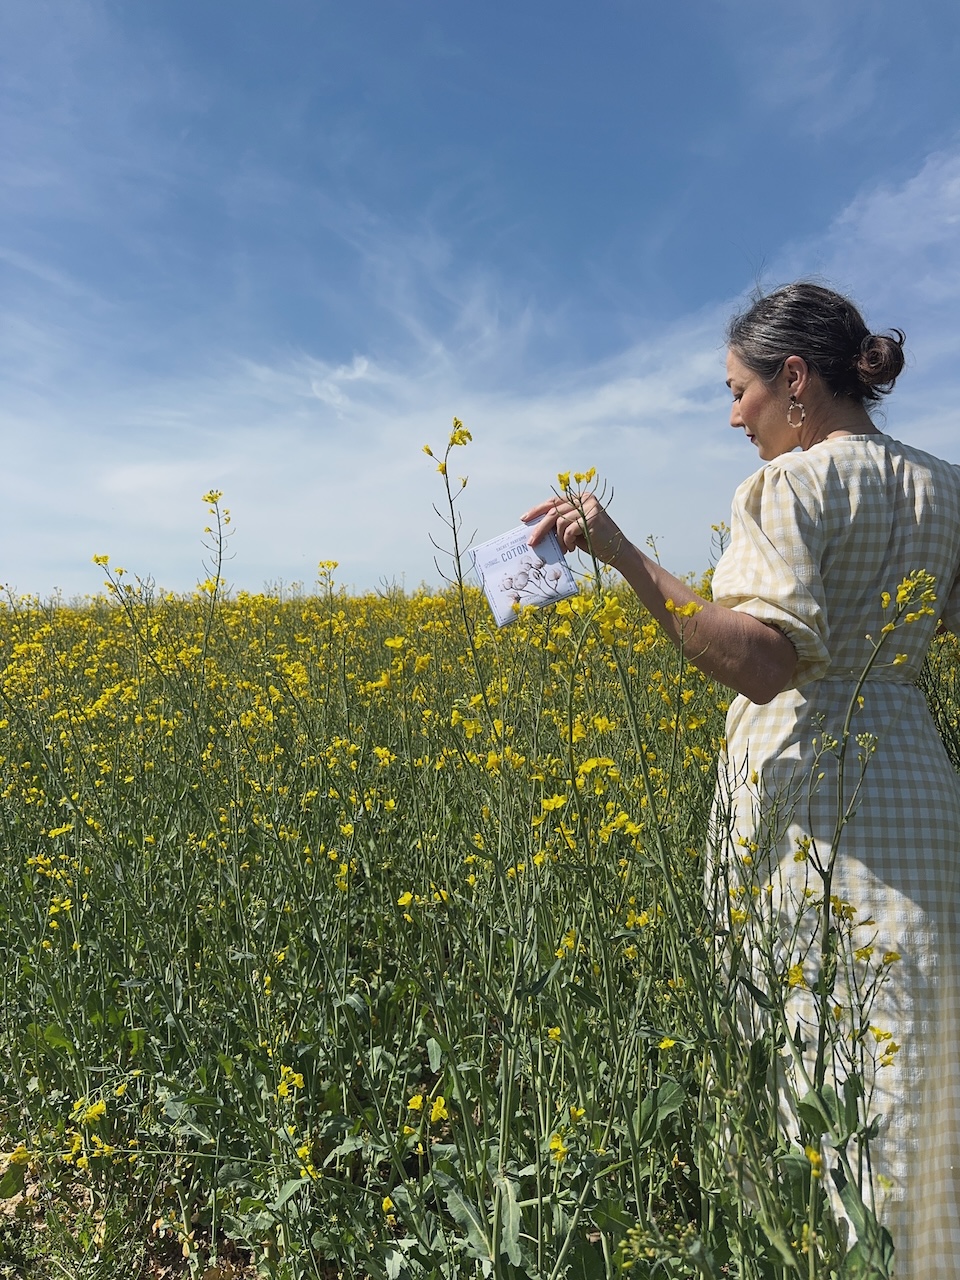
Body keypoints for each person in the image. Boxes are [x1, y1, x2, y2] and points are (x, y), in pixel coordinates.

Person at [522, 282, 960, 1277]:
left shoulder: (786, 488)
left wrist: (626, 556)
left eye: (738, 390)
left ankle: (834, 1255)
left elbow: (763, 661)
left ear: (794, 379)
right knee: (920, 1052)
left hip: (816, 795)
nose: (732, 417)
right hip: (919, 784)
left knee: (817, 1044)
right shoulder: (946, 484)